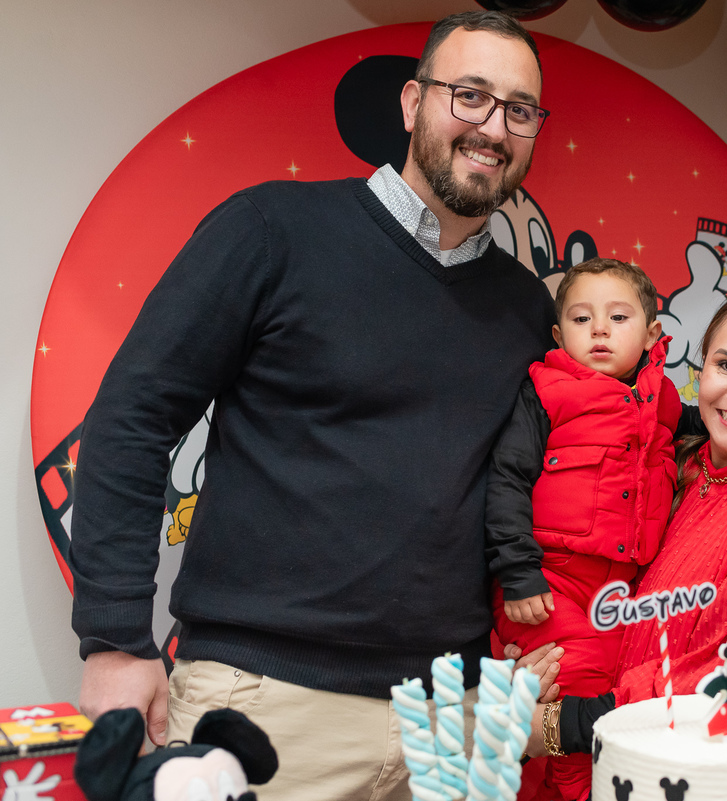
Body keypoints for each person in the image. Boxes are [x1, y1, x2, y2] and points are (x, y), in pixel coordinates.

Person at [70, 11, 557, 800]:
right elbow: (133, 416)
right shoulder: (272, 230)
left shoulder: (528, 309)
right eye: (469, 95)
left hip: (454, 724)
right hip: (262, 710)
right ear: (412, 103)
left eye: (519, 109)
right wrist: (115, 639)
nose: (493, 127)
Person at [513, 290, 727, 801]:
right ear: (703, 371)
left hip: (674, 777)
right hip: (605, 757)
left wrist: (559, 723)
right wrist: (549, 659)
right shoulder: (681, 469)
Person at [486, 258, 681, 801]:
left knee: (620, 690)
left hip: (619, 591)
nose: (599, 330)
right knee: (576, 688)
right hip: (549, 584)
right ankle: (576, 791)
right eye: (580, 318)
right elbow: (508, 479)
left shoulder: (665, 401)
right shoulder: (546, 391)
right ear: (558, 335)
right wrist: (519, 572)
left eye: (618, 317)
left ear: (651, 334)